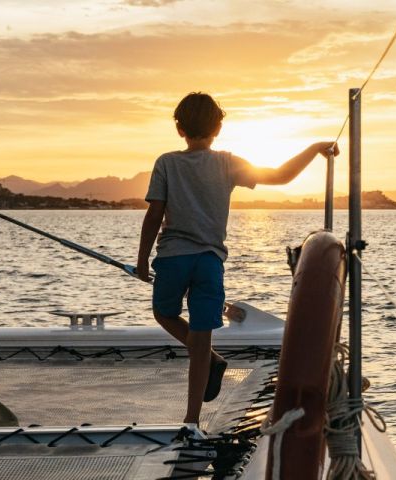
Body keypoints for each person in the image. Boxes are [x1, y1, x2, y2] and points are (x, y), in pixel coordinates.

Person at [136, 92, 339, 426]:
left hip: (172, 257)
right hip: (209, 261)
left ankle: (208, 366)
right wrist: (314, 148)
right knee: (201, 338)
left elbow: (154, 213)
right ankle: (192, 418)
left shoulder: (166, 162)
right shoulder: (227, 163)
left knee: (164, 313)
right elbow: (280, 176)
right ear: (217, 128)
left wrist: (143, 259)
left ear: (179, 129)